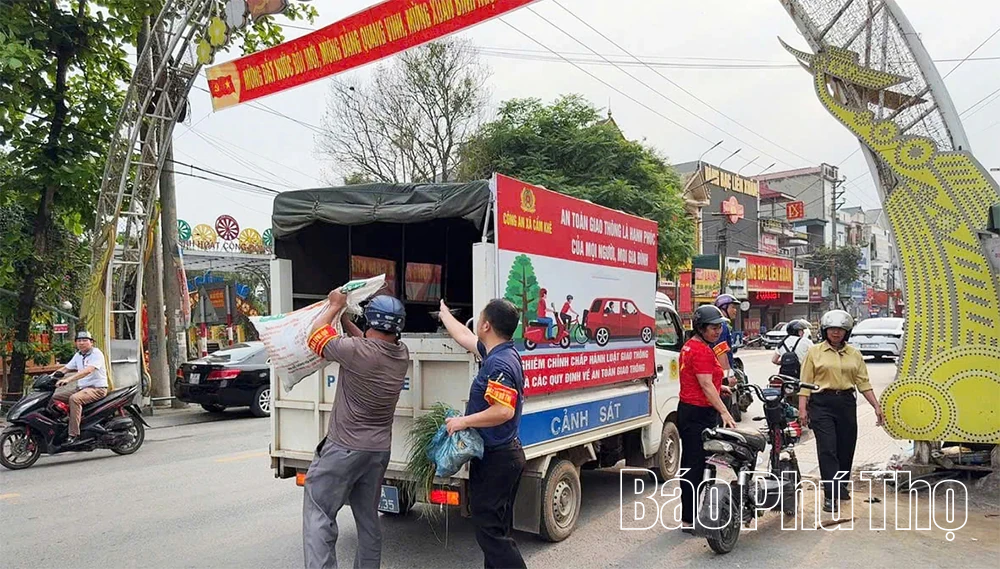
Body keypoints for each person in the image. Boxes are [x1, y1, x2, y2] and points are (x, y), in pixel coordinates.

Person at [302, 290, 409, 569]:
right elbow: (367, 343)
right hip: (377, 453)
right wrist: (345, 320)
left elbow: (315, 336)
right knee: (368, 519)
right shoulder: (401, 354)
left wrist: (334, 306)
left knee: (319, 513)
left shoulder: (355, 352)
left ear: (369, 321)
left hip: (343, 449)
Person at [438, 298, 526, 569]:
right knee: (498, 530)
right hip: (502, 456)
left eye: (479, 317)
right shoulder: (497, 352)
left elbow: (503, 410)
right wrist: (444, 314)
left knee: (490, 535)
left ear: (486, 325)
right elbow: (464, 336)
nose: (476, 322)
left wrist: (463, 422)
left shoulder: (499, 364)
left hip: (497, 460)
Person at [798, 310, 885, 513]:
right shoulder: (814, 352)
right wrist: (802, 408)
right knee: (828, 448)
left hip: (846, 403)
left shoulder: (854, 354)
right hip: (821, 403)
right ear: (825, 331)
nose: (836, 333)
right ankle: (830, 494)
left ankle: (841, 485)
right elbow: (805, 383)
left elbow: (863, 383)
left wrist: (876, 406)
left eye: (840, 329)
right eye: (832, 329)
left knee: (846, 447)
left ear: (847, 332)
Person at [678, 305, 737, 532]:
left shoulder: (692, 346)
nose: (718, 331)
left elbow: (699, 380)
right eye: (713, 327)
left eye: (719, 327)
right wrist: (724, 411)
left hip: (691, 410)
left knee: (697, 464)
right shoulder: (701, 350)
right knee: (695, 467)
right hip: (698, 414)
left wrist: (720, 387)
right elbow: (704, 385)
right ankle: (688, 520)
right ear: (701, 328)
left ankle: (694, 515)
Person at [53, 331, 108, 445]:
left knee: (74, 399)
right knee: (54, 397)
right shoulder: (78, 355)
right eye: (79, 341)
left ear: (91, 342)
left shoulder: (96, 354)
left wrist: (68, 379)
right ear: (76, 343)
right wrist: (49, 377)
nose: (81, 343)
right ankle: (62, 423)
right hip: (82, 389)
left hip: (97, 389)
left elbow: (88, 370)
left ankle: (74, 434)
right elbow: (65, 369)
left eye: (85, 340)